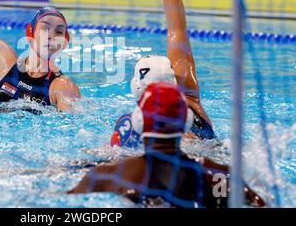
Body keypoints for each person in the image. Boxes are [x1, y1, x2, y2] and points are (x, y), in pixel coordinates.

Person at [70, 82, 265, 208]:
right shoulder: (218, 174)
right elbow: (259, 204)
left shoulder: (108, 176)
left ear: (139, 122)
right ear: (186, 122)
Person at [111, 0, 214, 147]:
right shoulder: (190, 102)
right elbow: (177, 28)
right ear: (174, 84)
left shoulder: (131, 126)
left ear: (137, 88)